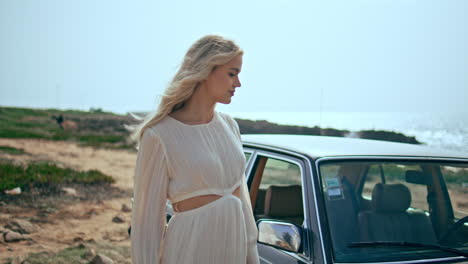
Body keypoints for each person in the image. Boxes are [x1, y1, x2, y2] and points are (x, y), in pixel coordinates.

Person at [130, 35, 260, 264]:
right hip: (189, 250)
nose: (238, 83)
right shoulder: (159, 135)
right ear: (205, 71)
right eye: (232, 73)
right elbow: (147, 221)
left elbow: (243, 202)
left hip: (234, 251)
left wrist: (252, 257)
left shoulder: (230, 126)